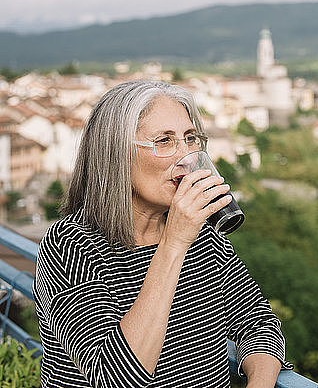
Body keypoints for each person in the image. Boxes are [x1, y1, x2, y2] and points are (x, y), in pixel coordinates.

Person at [33, 80, 292, 388]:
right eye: (165, 141)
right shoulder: (70, 246)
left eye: (190, 138)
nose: (186, 156)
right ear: (116, 155)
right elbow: (115, 378)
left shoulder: (205, 235)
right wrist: (175, 242)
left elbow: (258, 321)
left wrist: (259, 382)